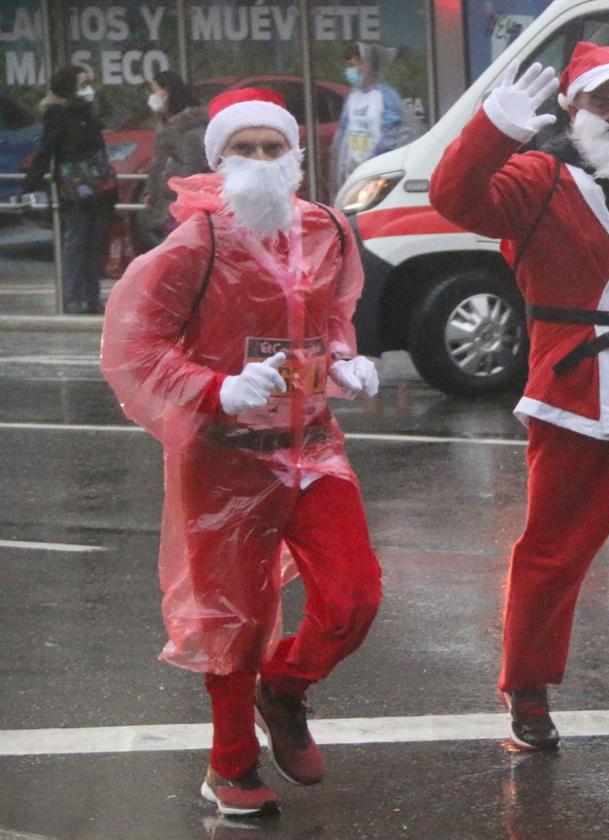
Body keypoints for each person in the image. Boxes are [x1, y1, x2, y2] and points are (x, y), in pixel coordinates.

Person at [430, 42, 609, 752]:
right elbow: (454, 198)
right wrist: (492, 128)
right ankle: (527, 689)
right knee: (556, 551)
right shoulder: (534, 177)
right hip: (571, 382)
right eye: (604, 101)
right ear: (573, 106)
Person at [100, 88, 383, 817]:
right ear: (217, 160)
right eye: (243, 149)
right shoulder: (196, 244)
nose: (259, 161)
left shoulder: (327, 229)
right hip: (224, 456)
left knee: (354, 596)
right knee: (233, 621)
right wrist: (215, 387)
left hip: (312, 449)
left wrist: (346, 359)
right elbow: (134, 343)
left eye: (272, 147)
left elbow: (335, 312)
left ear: (295, 157)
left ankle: (284, 688)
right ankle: (230, 767)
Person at [21, 64, 116, 314]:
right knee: (76, 241)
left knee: (94, 243)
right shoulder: (58, 114)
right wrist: (31, 181)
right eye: (82, 85)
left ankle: (92, 296)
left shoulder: (87, 113)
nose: (88, 90)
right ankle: (74, 297)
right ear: (69, 87)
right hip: (74, 188)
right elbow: (47, 149)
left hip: (97, 186)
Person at [136, 69, 210, 253]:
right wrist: (150, 190)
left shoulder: (187, 126)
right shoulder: (168, 123)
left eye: (155, 90)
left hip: (178, 199)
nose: (153, 96)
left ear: (167, 91)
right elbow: (159, 161)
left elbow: (189, 164)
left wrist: (174, 191)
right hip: (167, 197)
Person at [329, 41, 411, 197]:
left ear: (367, 65)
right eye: (348, 66)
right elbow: (343, 136)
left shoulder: (385, 96)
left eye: (353, 65)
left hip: (377, 174)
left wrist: (377, 162)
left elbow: (394, 136)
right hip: (352, 173)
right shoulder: (353, 97)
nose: (350, 71)